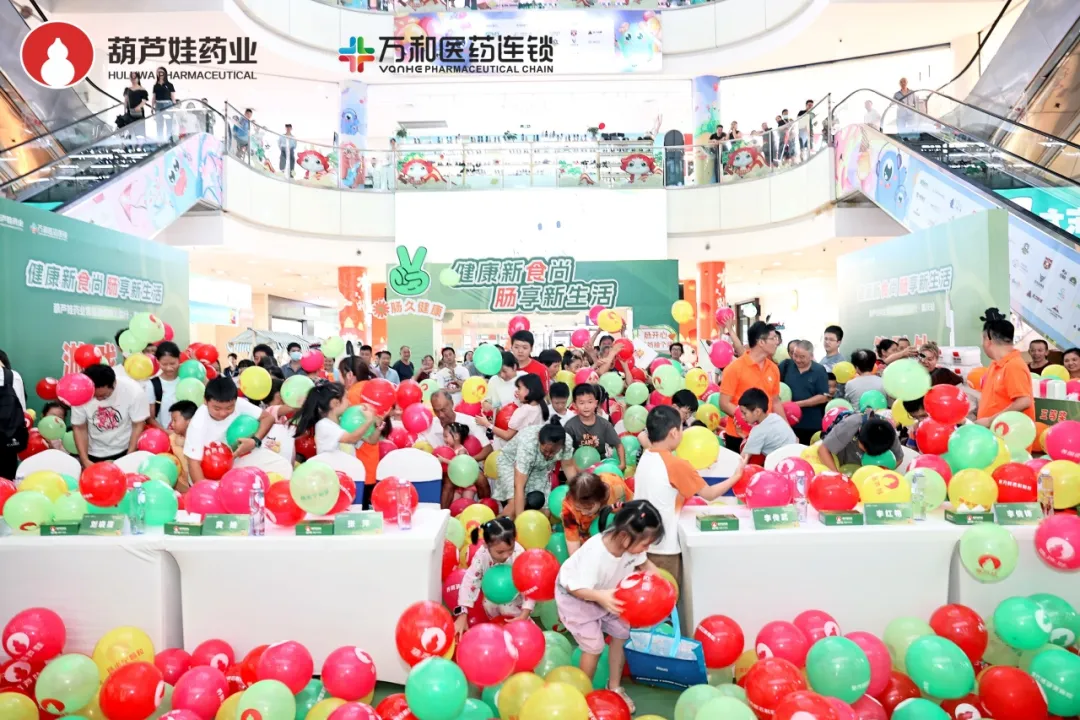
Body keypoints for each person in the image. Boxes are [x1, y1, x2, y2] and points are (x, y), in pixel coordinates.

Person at [555, 499, 664, 713]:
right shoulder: (596, 554)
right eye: (645, 544)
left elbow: (644, 564)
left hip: (608, 593)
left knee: (622, 632)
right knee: (594, 646)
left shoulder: (632, 547)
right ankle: (583, 695)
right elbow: (575, 588)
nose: (647, 549)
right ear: (624, 537)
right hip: (578, 597)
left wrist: (660, 582)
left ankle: (614, 686)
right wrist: (600, 597)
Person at [634, 407, 732, 583]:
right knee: (668, 593)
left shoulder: (647, 455)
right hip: (665, 549)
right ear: (673, 432)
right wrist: (736, 476)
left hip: (641, 546)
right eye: (681, 429)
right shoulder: (676, 464)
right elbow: (709, 494)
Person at [183, 377, 275, 484]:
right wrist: (207, 489)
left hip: (233, 460)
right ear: (205, 401)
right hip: (206, 473)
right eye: (217, 408)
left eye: (229, 408)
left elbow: (268, 418)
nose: (223, 413)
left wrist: (255, 441)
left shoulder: (238, 403)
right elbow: (194, 464)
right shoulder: (198, 423)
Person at [454, 518, 534, 636]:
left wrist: (524, 615)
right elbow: (470, 580)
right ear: (486, 545)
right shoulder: (482, 555)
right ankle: (497, 626)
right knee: (488, 603)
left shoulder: (519, 555)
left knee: (508, 607)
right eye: (500, 552)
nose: (506, 555)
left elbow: (528, 584)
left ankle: (522, 627)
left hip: (516, 597)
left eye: (510, 549)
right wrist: (462, 613)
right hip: (491, 597)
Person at [718, 321, 782, 453]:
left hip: (766, 437)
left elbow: (775, 401)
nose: (777, 342)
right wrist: (750, 419)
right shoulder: (734, 368)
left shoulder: (774, 368)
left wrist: (787, 429)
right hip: (738, 436)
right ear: (761, 342)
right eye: (773, 338)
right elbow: (724, 403)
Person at [495, 417, 578, 517]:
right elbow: (519, 486)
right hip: (510, 463)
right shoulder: (528, 444)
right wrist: (520, 520)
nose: (548, 455)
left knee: (545, 512)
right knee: (513, 507)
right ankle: (495, 525)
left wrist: (578, 493)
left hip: (539, 468)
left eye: (553, 452)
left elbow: (568, 466)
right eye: (545, 450)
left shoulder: (566, 442)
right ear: (539, 439)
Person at [72, 364, 149, 467]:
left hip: (125, 449)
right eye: (94, 396)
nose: (99, 399)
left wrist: (129, 456)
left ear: (114, 383)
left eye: (104, 396)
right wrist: (84, 460)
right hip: (94, 452)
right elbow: (79, 428)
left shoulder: (133, 391)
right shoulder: (80, 394)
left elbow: (138, 425)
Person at [424, 390, 492, 507]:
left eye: (443, 410)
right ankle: (442, 513)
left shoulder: (469, 422)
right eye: (436, 410)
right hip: (443, 469)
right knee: (448, 482)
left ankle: (486, 509)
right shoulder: (429, 427)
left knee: (481, 479)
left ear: (451, 403)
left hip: (469, 466)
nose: (440, 415)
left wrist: (465, 462)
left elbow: (488, 448)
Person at [976, 308, 1034, 427]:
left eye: (982, 339)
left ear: (988, 340)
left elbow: (1024, 401)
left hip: (1009, 434)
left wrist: (990, 421)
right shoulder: (995, 364)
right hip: (994, 434)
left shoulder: (1013, 365)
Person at [561, 471, 634, 554]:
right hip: (587, 539)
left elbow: (633, 508)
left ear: (600, 499)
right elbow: (574, 550)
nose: (583, 513)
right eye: (578, 509)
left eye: (588, 508)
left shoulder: (616, 486)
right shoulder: (569, 509)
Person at [564, 384, 625, 469]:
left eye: (590, 402)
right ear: (574, 405)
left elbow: (618, 445)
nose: (586, 407)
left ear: (595, 403)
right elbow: (566, 455)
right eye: (581, 403)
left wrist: (622, 464)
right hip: (579, 467)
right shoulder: (570, 427)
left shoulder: (604, 424)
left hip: (600, 466)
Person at [477, 374, 548, 446]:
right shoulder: (540, 405)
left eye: (519, 388)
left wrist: (487, 424)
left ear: (528, 390)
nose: (517, 391)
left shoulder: (522, 411)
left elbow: (507, 435)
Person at [782, 340, 830, 445]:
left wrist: (797, 405)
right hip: (788, 423)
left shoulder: (819, 370)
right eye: (795, 355)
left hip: (811, 424)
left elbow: (824, 397)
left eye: (802, 357)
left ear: (811, 356)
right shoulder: (786, 365)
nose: (797, 360)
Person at [736, 387, 798, 461]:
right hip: (797, 456)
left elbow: (743, 458)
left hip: (782, 463)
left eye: (744, 413)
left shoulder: (758, 431)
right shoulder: (775, 417)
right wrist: (741, 434)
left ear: (757, 412)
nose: (742, 416)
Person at [145, 341, 181, 430]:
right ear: (157, 361)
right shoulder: (152, 384)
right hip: (164, 433)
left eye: (172, 363)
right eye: (164, 364)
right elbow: (150, 418)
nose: (169, 368)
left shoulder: (186, 378)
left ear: (179, 359)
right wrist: (166, 432)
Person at [169, 400, 197, 492]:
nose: (172, 424)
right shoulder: (171, 440)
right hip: (178, 490)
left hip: (194, 489)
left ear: (189, 421)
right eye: (171, 420)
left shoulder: (200, 441)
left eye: (175, 420)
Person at [151, 67, 177, 141]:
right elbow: (154, 97)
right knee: (159, 124)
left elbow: (173, 97)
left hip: (167, 105)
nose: (160, 74)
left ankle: (169, 140)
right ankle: (160, 141)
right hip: (158, 105)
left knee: (169, 124)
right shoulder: (155, 86)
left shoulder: (169, 85)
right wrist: (152, 107)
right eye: (158, 72)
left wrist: (174, 106)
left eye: (162, 72)